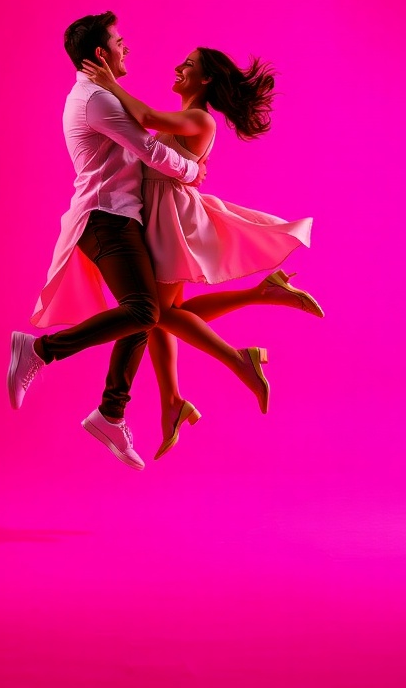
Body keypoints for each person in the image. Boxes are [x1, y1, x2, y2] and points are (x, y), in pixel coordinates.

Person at [8, 13, 270, 472]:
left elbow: (149, 131)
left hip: (146, 216)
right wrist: (192, 171)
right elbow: (149, 144)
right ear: (101, 55)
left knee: (151, 314)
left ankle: (114, 412)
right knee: (150, 312)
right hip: (110, 216)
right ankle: (42, 352)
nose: (129, 49)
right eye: (120, 43)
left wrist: (186, 169)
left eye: (187, 64)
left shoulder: (114, 98)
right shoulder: (97, 99)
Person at [82, 47, 323, 458]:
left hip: (171, 219)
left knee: (156, 314)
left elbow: (147, 119)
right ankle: (174, 399)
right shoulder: (191, 118)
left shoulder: (200, 118)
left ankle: (238, 360)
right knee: (162, 315)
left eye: (188, 65)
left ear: (206, 80)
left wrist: (109, 85)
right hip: (162, 214)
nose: (178, 68)